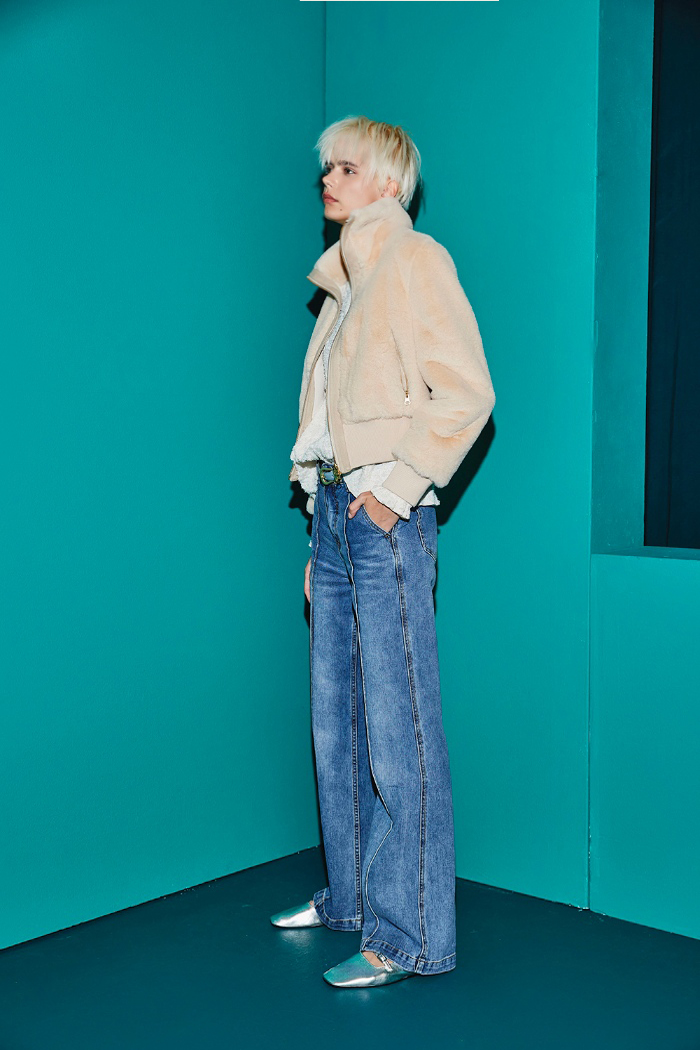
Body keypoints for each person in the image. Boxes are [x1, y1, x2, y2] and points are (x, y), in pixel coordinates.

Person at [271, 115, 496, 989]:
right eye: (325, 167)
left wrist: (393, 492)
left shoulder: (414, 259)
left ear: (390, 182)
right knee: (337, 723)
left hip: (384, 513)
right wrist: (320, 520)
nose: (327, 179)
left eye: (346, 167)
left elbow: (467, 393)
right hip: (335, 515)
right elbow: (327, 416)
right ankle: (353, 898)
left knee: (400, 732)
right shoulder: (343, 284)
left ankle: (409, 937)